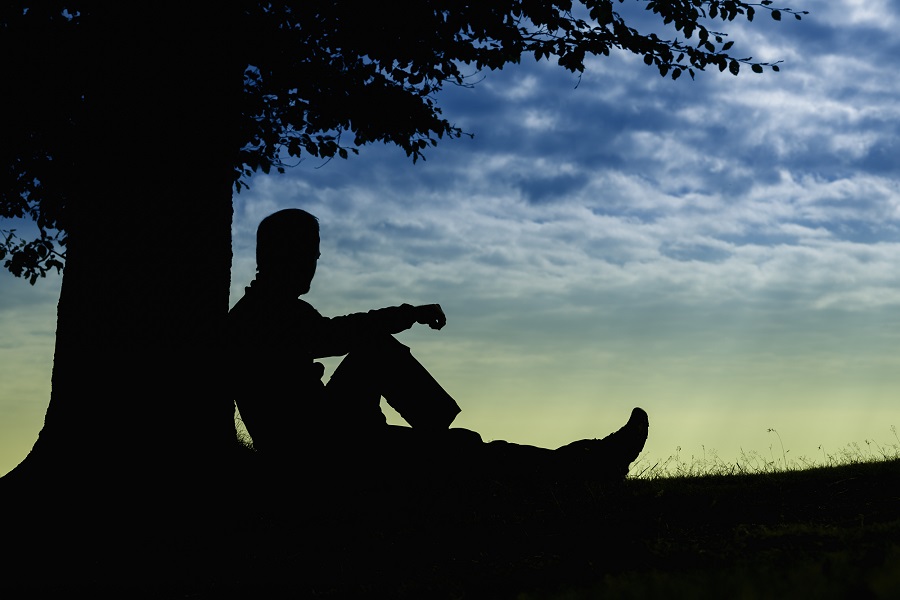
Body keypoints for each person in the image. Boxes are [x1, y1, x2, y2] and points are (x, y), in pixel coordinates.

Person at [227, 208, 649, 485]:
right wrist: (408, 313)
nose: (312, 265)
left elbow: (335, 335)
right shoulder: (260, 316)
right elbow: (337, 336)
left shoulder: (276, 309)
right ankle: (592, 465)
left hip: (326, 438)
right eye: (307, 255)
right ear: (280, 256)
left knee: (456, 445)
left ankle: (590, 462)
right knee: (463, 452)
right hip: (316, 455)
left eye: (314, 256)